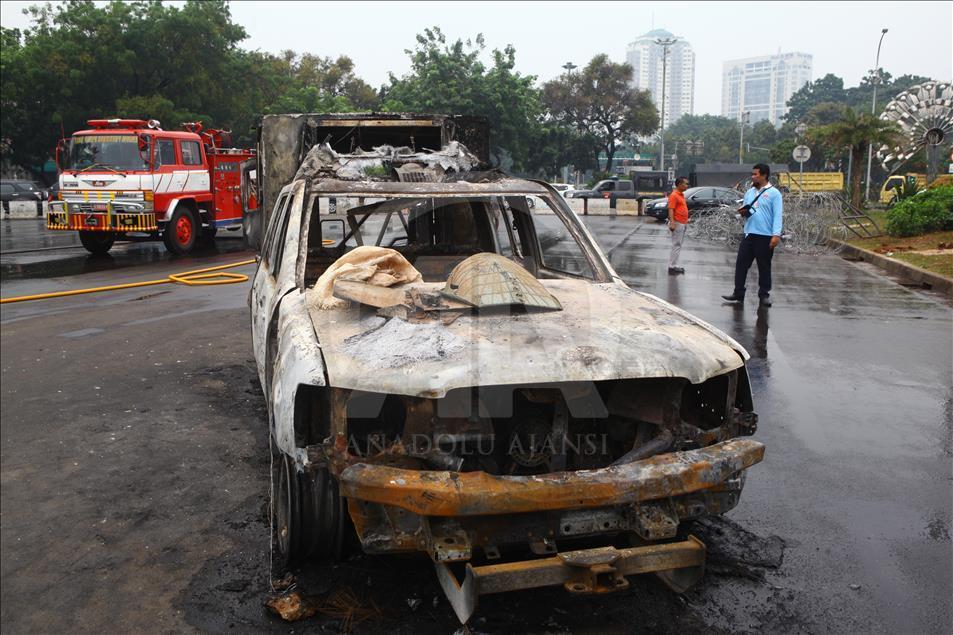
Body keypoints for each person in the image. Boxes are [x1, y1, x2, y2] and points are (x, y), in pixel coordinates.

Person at [722, 163, 783, 307]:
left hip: (765, 236)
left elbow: (777, 215)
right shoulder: (749, 192)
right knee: (741, 264)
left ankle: (764, 295)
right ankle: (738, 293)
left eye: (756, 174)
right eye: (753, 174)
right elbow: (747, 210)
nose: (753, 176)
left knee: (764, 266)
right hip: (749, 234)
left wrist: (776, 235)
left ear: (764, 175)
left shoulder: (774, 193)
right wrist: (743, 212)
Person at [667, 176, 690, 275]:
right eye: (685, 183)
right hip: (677, 223)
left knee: (678, 244)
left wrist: (686, 222)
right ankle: (672, 266)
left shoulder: (681, 195)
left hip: (682, 223)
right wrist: (672, 222)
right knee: (676, 244)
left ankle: (674, 265)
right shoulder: (674, 195)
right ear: (679, 184)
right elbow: (671, 209)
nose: (686, 185)